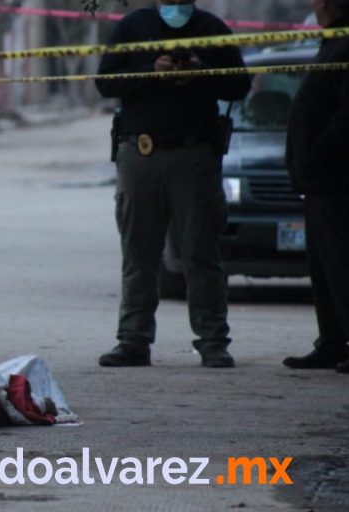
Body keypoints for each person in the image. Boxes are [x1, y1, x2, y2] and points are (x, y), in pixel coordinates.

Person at [95, 0, 250, 369]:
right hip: (141, 154)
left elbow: (239, 85)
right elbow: (105, 82)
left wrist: (201, 71)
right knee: (139, 253)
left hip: (194, 156)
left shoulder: (212, 29)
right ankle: (133, 339)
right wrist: (151, 69)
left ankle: (212, 341)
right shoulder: (133, 27)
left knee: (201, 250)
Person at [283, 0, 349, 374]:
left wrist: (316, 154)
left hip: (336, 178)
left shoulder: (345, 43)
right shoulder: (331, 42)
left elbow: (345, 116)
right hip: (317, 181)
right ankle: (331, 341)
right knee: (324, 269)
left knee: (342, 265)